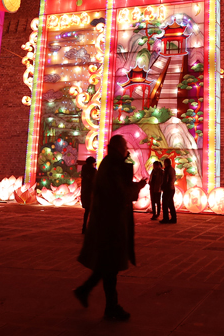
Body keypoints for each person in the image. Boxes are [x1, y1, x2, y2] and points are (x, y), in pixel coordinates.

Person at [73, 135, 146, 321]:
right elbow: (120, 193)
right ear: (118, 148)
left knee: (107, 266)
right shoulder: (112, 166)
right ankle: (110, 306)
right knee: (109, 267)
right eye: (125, 148)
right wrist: (137, 187)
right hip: (109, 224)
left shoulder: (110, 163)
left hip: (108, 223)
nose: (127, 151)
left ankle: (86, 291)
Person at [80, 157, 96, 234]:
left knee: (87, 211)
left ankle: (84, 227)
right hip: (92, 193)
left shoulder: (84, 171)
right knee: (93, 211)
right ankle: (91, 228)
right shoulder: (93, 171)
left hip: (85, 192)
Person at [159, 158, 177, 224]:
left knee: (165, 204)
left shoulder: (167, 170)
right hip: (172, 188)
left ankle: (166, 218)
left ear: (166, 163)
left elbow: (165, 180)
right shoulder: (172, 169)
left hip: (167, 189)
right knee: (171, 204)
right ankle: (174, 218)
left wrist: (162, 187)